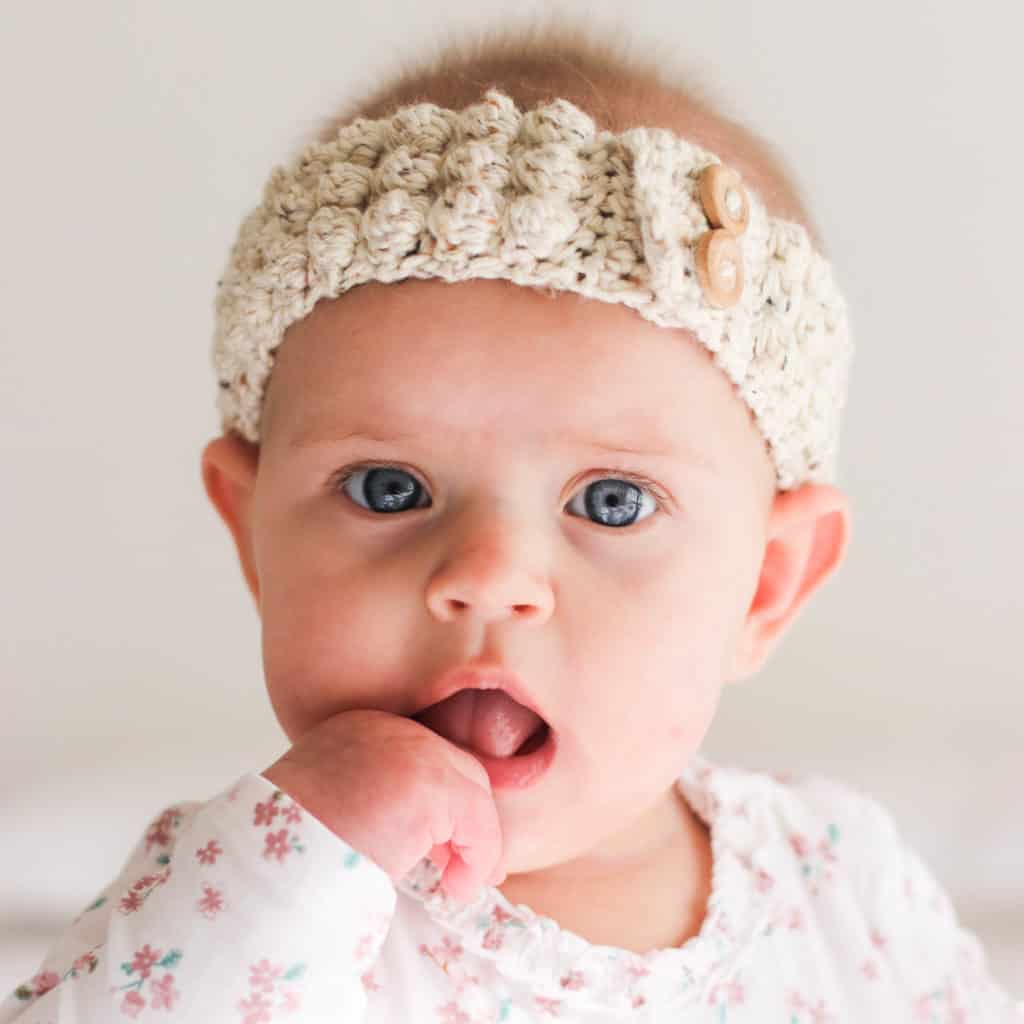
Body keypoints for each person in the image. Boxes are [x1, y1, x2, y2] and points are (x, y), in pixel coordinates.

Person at [4, 17, 1020, 1023]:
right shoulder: (245, 900)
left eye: (610, 502)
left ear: (766, 583)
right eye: (387, 488)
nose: (487, 574)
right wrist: (308, 848)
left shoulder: (840, 886)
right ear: (252, 533)